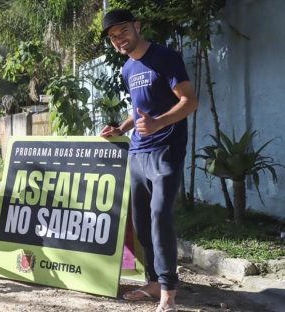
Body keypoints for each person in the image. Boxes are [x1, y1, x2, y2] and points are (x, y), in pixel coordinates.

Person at [100, 8, 198, 312]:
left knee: (160, 218)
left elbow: (189, 101)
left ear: (137, 27)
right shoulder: (127, 68)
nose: (119, 39)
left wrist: (159, 123)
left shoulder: (165, 57)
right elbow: (139, 108)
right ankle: (154, 282)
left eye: (123, 31)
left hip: (166, 150)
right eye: (114, 36)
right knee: (141, 224)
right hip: (138, 152)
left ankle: (168, 292)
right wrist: (121, 128)